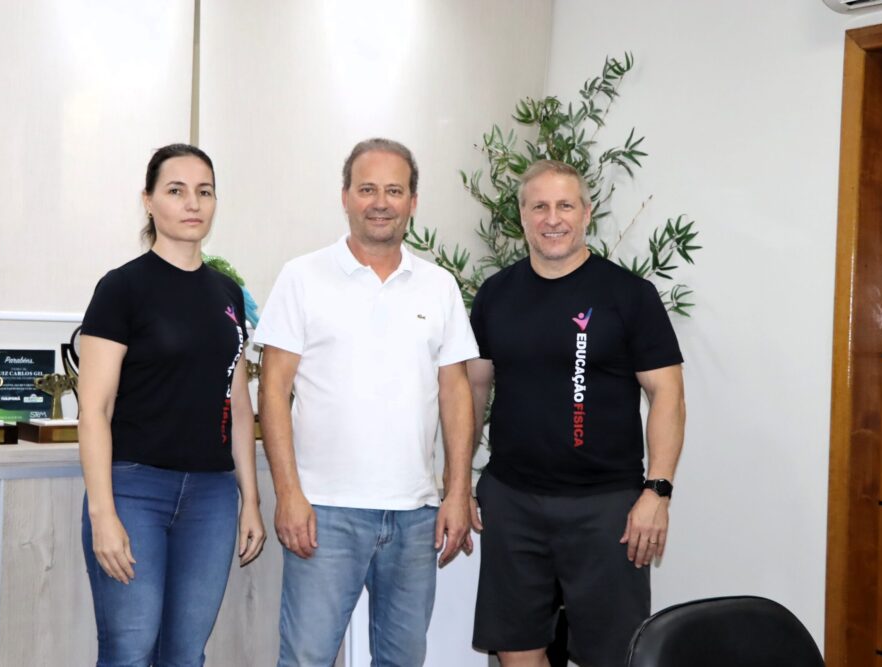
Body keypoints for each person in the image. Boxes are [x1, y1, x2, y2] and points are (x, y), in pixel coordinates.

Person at [254, 138, 479, 666]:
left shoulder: (439, 285)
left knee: (403, 661)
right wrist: (288, 494)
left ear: (413, 202)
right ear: (345, 197)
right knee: (307, 659)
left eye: (394, 191)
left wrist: (456, 491)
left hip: (415, 516)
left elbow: (456, 392)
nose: (380, 203)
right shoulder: (302, 276)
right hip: (324, 511)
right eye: (367, 189)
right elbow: (273, 389)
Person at [469, 160, 686, 667]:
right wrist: (457, 483)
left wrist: (657, 491)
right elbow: (473, 389)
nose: (552, 218)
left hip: (607, 507)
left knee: (612, 654)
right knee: (515, 650)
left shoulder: (629, 295)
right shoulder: (495, 294)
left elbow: (668, 395)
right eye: (539, 206)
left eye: (565, 205)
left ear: (587, 213)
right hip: (513, 500)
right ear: (522, 216)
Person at [77, 143, 265, 667]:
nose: (193, 203)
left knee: (185, 654)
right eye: (176, 190)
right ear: (149, 200)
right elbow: (94, 410)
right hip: (134, 489)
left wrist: (250, 500)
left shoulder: (228, 294)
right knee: (130, 651)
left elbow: (239, 404)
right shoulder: (121, 288)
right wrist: (103, 514)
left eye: (204, 192)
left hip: (211, 496)